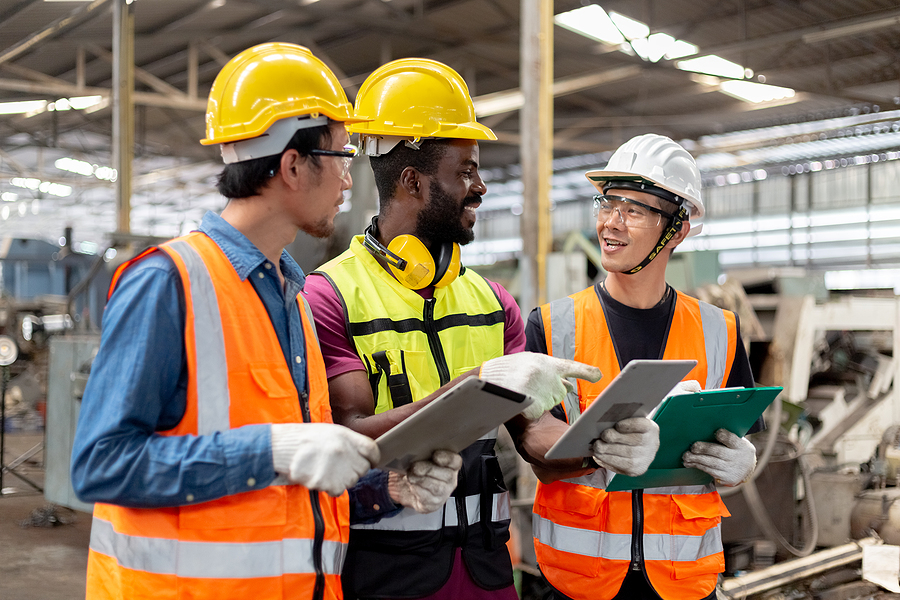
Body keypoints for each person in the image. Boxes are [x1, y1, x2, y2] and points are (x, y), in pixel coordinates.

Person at [70, 43, 461, 600]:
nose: (349, 183)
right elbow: (100, 464)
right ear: (293, 165)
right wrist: (271, 450)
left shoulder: (293, 299)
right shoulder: (168, 282)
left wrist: (386, 489)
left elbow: (291, 487)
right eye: (342, 158)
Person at [304, 58, 600, 600]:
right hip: (384, 579)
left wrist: (600, 442)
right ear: (413, 182)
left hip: (487, 576)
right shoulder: (330, 296)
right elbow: (348, 437)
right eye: (465, 171)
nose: (481, 187)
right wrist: (479, 385)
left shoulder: (493, 302)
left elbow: (536, 435)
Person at [524, 133, 762, 600]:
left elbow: (738, 430)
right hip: (580, 582)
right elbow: (535, 452)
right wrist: (595, 449)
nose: (611, 222)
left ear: (677, 230)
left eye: (633, 210)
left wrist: (743, 461)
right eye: (607, 203)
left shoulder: (721, 330)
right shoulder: (553, 326)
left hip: (682, 582)